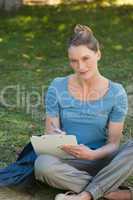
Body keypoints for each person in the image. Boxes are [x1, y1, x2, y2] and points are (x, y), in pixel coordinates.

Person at [34, 24, 133, 200]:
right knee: (42, 165)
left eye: (86, 58)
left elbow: (113, 144)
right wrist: (57, 139)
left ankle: (84, 196)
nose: (80, 66)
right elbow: (50, 133)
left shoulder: (116, 92)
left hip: (102, 161)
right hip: (68, 161)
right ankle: (112, 193)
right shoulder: (57, 87)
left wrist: (92, 154)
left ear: (98, 55)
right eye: (74, 60)